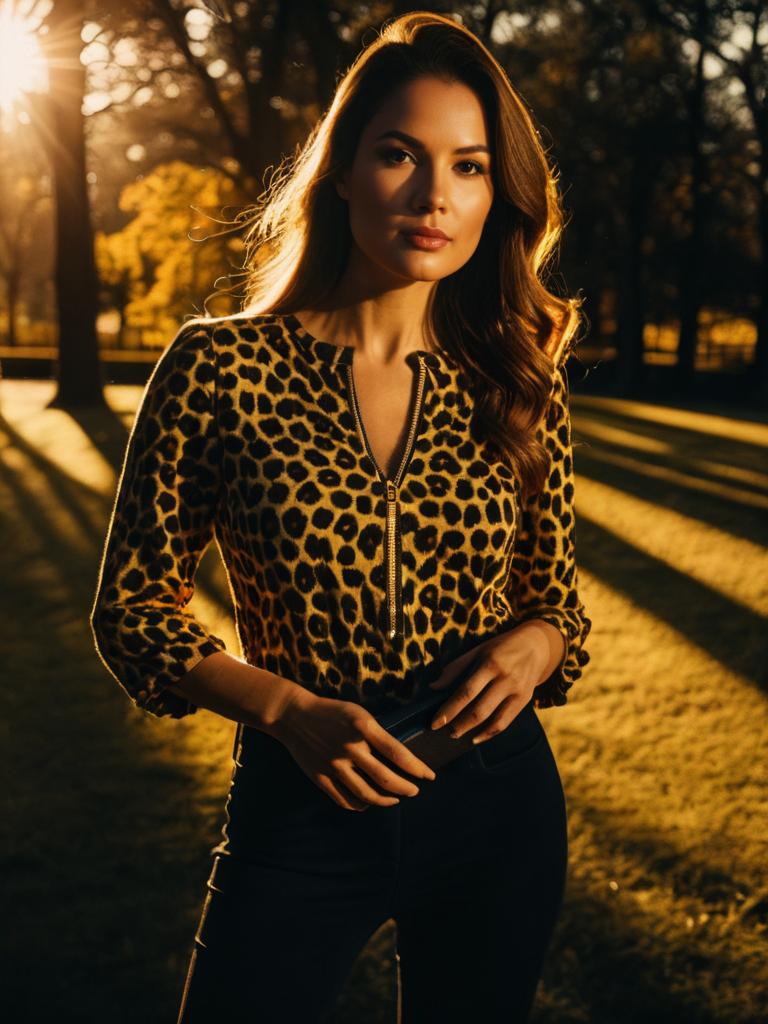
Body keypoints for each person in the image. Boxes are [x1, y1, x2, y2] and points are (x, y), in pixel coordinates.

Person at [89, 11, 592, 1023]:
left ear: (498, 197)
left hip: (499, 804)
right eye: (401, 153)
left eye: (470, 166)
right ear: (343, 171)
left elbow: (555, 604)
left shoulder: (513, 378)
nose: (434, 195)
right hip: (302, 805)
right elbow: (134, 612)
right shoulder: (220, 367)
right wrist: (287, 713)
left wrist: (536, 647)